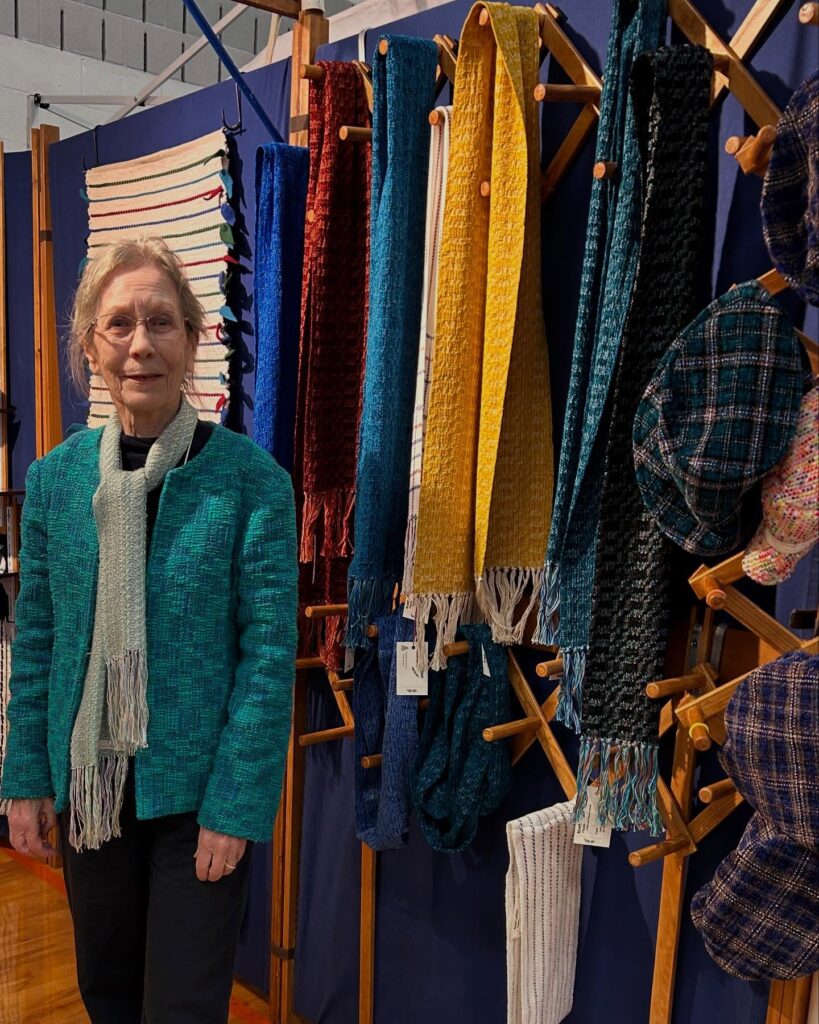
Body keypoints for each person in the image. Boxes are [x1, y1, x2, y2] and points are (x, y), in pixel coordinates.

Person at [0, 237, 297, 1024]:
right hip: (90, 791)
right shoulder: (56, 481)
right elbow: (38, 640)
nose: (140, 345)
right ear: (89, 346)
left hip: (196, 801)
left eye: (161, 322)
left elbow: (268, 660)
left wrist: (235, 806)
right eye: (120, 324)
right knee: (107, 994)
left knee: (182, 1007)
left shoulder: (251, 484)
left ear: (191, 339)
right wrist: (24, 777)